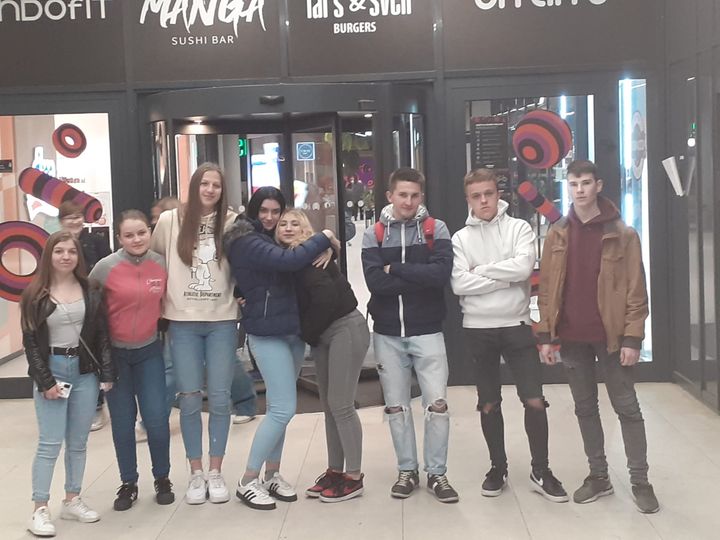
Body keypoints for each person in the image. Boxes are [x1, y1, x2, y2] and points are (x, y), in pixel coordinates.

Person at [537, 160, 659, 514]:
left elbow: (636, 290)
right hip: (572, 336)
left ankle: (640, 481)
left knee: (627, 408)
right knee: (585, 408)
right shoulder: (558, 233)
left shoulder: (622, 233)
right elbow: (547, 288)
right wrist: (546, 334)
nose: (580, 190)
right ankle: (599, 476)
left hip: (613, 338)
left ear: (599, 185)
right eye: (574, 184)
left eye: (586, 183)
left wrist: (633, 338)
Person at [450, 168, 568, 503]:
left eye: (489, 193)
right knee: (488, 403)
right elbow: (459, 283)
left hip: (516, 325)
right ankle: (497, 468)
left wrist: (482, 271)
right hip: (478, 329)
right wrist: (505, 277)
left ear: (498, 193)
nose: (484, 201)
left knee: (534, 399)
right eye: (476, 196)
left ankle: (541, 470)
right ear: (468, 200)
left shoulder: (519, 228)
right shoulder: (460, 238)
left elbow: (523, 268)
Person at [224, 187, 339, 511]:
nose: (271, 217)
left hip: (291, 331)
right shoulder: (246, 240)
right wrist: (326, 236)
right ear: (253, 210)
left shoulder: (270, 238)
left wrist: (329, 250)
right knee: (283, 409)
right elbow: (287, 262)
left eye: (276, 211)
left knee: (280, 408)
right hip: (267, 334)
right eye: (264, 211)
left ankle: (272, 474)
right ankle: (248, 480)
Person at [361, 167, 458, 503]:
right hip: (387, 334)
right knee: (396, 407)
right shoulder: (373, 233)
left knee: (438, 405)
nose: (408, 201)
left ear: (421, 197)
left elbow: (440, 275)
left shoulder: (436, 229)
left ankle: (437, 473)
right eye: (402, 194)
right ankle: (407, 470)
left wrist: (397, 269)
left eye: (415, 195)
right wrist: (419, 276)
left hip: (428, 330)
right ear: (390, 196)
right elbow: (375, 282)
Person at [150, 163, 239, 505]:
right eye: (205, 183)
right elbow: (153, 261)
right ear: (194, 186)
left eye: (216, 185)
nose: (210, 190)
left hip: (222, 320)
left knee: (219, 397)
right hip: (182, 321)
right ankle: (196, 472)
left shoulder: (232, 223)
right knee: (188, 398)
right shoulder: (170, 220)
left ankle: (216, 471)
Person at [20, 231, 115, 537]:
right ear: (49, 255)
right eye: (59, 251)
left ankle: (72, 499)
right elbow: (31, 344)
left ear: (78, 256)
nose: (65, 256)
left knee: (78, 442)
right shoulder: (35, 294)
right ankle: (39, 508)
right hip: (53, 368)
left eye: (71, 251)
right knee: (49, 444)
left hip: (84, 372)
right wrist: (45, 381)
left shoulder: (91, 289)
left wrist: (106, 373)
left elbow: (101, 335)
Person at [275, 209, 370, 503]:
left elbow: (326, 299)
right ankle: (335, 470)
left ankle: (354, 476)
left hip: (344, 329)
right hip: (323, 335)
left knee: (341, 404)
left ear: (305, 229)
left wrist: (306, 333)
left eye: (295, 223)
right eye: (283, 223)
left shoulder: (311, 257)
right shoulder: (290, 259)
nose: (288, 228)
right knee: (330, 406)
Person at [89, 210, 174, 511]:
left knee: (156, 419)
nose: (136, 239)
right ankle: (128, 482)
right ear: (119, 238)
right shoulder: (105, 267)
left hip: (149, 352)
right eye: (129, 235)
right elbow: (87, 306)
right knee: (123, 423)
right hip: (116, 357)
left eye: (141, 233)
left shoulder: (161, 264)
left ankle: (162, 477)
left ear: (149, 233)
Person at [58, 201, 112, 432]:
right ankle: (67, 404)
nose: (75, 221)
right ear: (61, 220)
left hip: (91, 305)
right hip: (64, 305)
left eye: (78, 216)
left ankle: (97, 406)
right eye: (69, 217)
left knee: (92, 354)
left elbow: (109, 270)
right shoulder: (55, 244)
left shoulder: (96, 241)